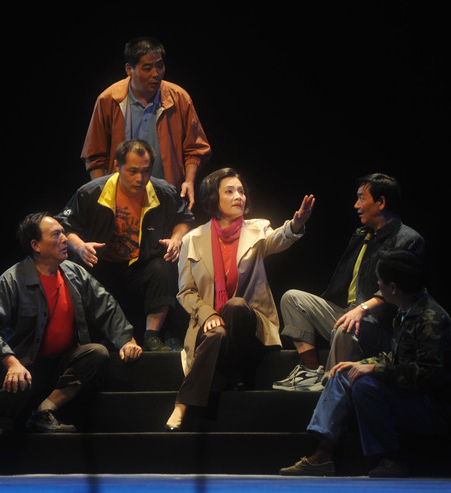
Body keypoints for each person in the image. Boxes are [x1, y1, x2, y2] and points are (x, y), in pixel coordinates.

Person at [0, 212, 142, 476]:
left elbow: (105, 304)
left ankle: (44, 410)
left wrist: (126, 339)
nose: (64, 239)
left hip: (59, 365)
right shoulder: (13, 279)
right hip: (23, 365)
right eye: (56, 234)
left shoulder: (73, 272)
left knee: (97, 352)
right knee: (15, 379)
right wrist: (11, 363)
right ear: (36, 245)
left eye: (63, 233)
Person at [279, 249, 451, 478]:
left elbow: (427, 375)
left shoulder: (430, 319)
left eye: (379, 281)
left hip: (440, 408)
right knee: (344, 372)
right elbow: (397, 357)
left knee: (365, 386)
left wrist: (374, 369)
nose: (377, 286)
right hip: (416, 395)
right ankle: (322, 453)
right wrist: (363, 363)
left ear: (393, 287)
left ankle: (392, 459)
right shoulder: (405, 310)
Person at [164, 168, 315, 430]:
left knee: (235, 306)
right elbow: (185, 291)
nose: (239, 197)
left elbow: (278, 239)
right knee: (217, 334)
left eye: (241, 191)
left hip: (249, 322)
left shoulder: (258, 228)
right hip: (209, 324)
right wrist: (208, 314)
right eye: (230, 191)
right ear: (213, 198)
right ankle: (194, 398)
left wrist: (295, 225)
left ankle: (183, 404)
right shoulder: (192, 239)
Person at [273, 173, 425, 392]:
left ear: (381, 202)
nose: (356, 205)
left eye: (361, 198)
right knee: (292, 299)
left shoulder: (408, 239)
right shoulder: (363, 235)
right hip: (349, 313)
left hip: (381, 325)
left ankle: (331, 385)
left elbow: (398, 291)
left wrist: (361, 310)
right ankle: (310, 371)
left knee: (347, 327)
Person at [58, 139, 195, 351]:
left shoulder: (163, 191)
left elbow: (184, 218)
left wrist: (176, 239)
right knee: (77, 269)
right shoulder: (91, 192)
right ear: (117, 166)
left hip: (140, 265)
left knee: (163, 265)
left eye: (146, 171)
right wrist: (80, 246)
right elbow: (64, 226)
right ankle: (92, 338)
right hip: (101, 264)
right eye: (132, 171)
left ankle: (152, 336)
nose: (140, 178)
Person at [81, 36, 211, 210]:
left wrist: (189, 181)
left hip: (168, 196)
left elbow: (195, 148)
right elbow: (95, 155)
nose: (156, 74)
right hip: (121, 198)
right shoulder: (109, 100)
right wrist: (103, 193)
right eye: (147, 68)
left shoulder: (179, 98)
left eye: (160, 66)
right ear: (129, 69)